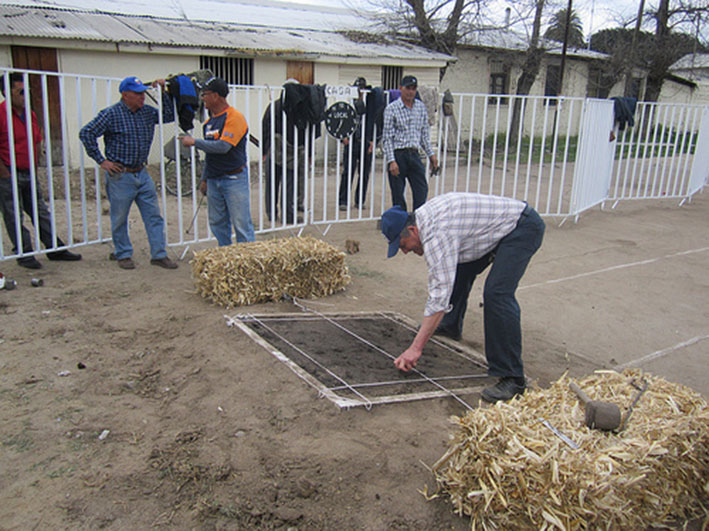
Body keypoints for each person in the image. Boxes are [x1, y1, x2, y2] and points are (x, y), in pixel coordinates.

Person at [381, 192, 545, 403]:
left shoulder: (437, 235)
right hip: (487, 232)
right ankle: (450, 325)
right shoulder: (423, 221)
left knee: (497, 294)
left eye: (403, 245)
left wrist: (415, 348)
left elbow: (439, 297)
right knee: (457, 269)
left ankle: (513, 378)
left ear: (412, 230)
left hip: (520, 228)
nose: (405, 251)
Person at [79, 75, 177, 270]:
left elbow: (168, 116)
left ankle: (159, 254)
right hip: (121, 175)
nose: (142, 97)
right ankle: (123, 253)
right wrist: (102, 161)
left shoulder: (146, 113)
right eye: (137, 94)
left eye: (143, 93)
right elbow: (86, 133)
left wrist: (163, 92)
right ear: (125, 95)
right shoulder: (111, 114)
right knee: (120, 217)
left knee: (153, 216)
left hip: (141, 172)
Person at [0, 73, 82, 269]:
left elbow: (37, 140)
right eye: (20, 91)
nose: (25, 96)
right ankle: (24, 252)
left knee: (40, 211)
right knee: (13, 214)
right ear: (7, 92)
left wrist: (35, 165)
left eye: (26, 91)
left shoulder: (30, 114)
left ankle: (54, 248)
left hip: (28, 170)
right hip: (8, 171)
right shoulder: (1, 115)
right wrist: (4, 173)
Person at [180, 77, 255, 246]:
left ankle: (248, 256)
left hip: (233, 178)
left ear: (216, 96)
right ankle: (225, 254)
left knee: (241, 223)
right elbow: (210, 154)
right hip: (214, 180)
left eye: (205, 94)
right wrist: (205, 179)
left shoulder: (234, 117)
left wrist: (195, 142)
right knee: (217, 222)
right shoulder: (208, 123)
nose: (202, 98)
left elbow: (223, 147)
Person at [381, 75, 438, 211]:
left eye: (413, 89)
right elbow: (387, 138)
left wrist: (431, 155)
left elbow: (424, 135)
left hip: (414, 154)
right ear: (401, 88)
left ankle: (417, 219)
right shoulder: (392, 109)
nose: (410, 92)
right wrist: (391, 161)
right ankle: (401, 221)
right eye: (408, 88)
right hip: (398, 154)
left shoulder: (421, 107)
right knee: (398, 194)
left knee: (421, 190)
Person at [338, 77, 373, 210]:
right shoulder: (348, 103)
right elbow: (340, 120)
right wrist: (343, 137)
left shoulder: (369, 104)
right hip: (352, 141)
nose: (359, 92)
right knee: (348, 172)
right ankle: (343, 201)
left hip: (365, 141)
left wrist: (372, 141)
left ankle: (360, 200)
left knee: (364, 173)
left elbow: (374, 122)